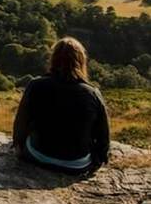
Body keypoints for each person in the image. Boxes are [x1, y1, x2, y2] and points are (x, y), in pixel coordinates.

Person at [12, 37, 110, 175]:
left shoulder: (35, 85)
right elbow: (103, 135)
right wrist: (99, 160)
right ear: (81, 61)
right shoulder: (93, 93)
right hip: (77, 164)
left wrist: (19, 146)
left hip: (38, 155)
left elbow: (21, 123)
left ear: (53, 59)